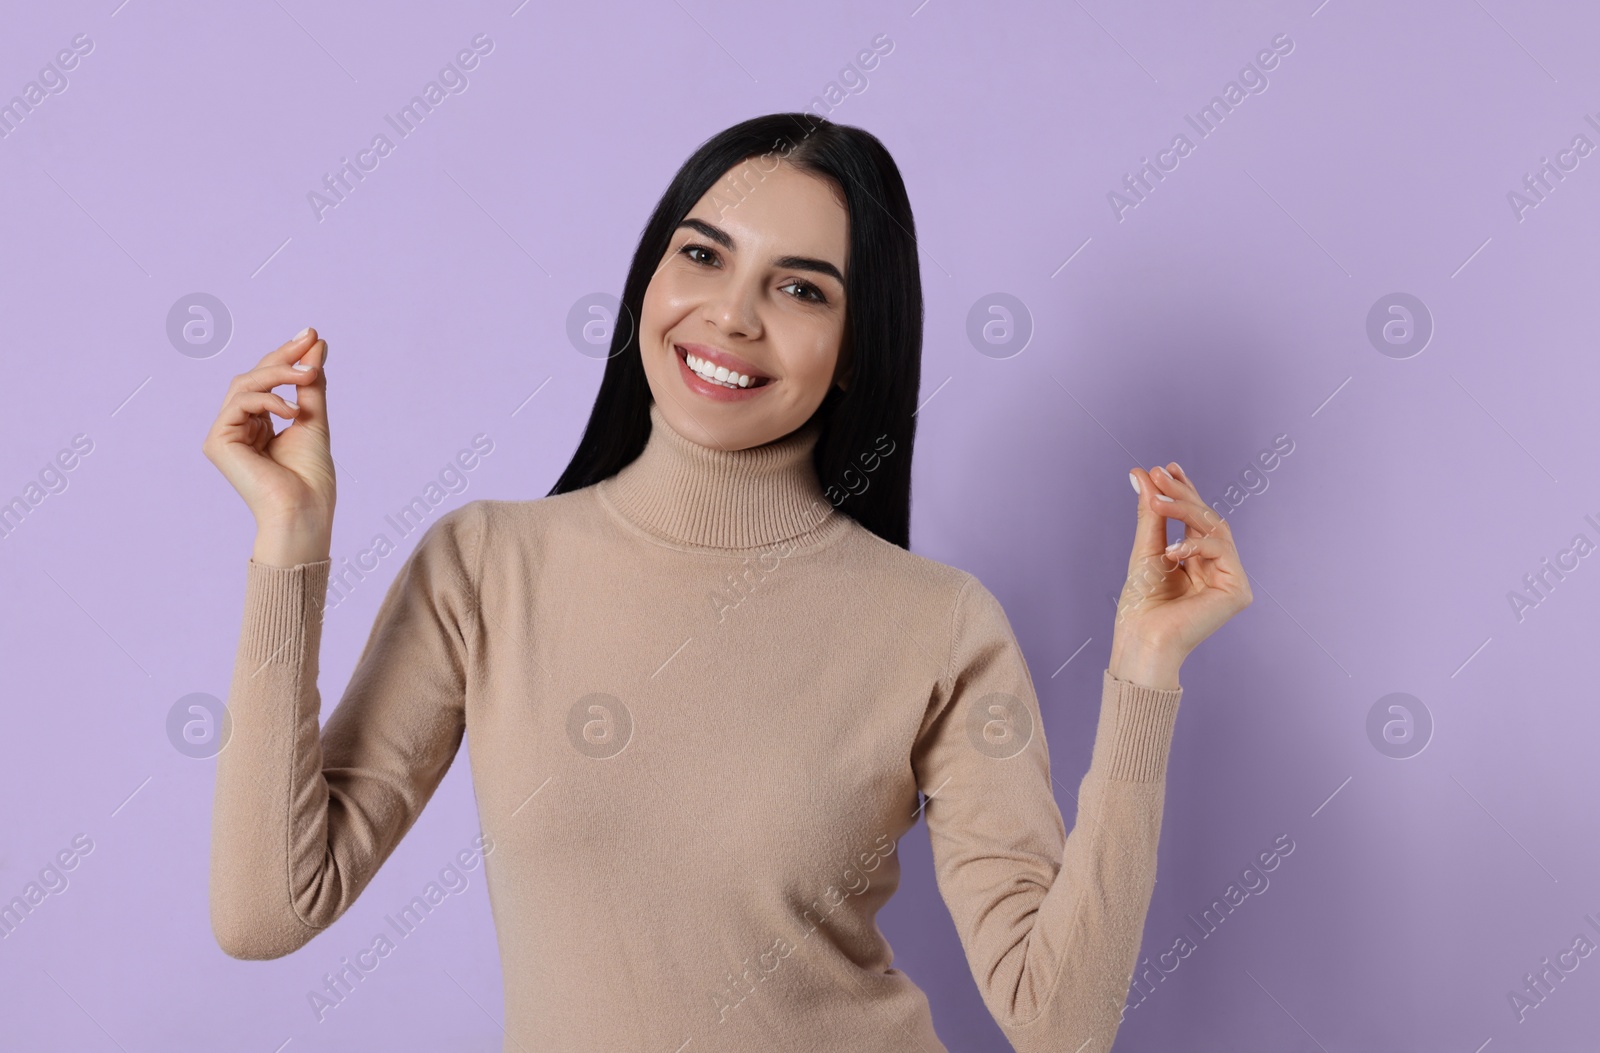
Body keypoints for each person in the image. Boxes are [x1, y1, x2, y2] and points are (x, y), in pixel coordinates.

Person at [201, 111, 1252, 1052]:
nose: (732, 315)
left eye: (799, 287)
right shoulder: (483, 566)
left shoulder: (939, 624)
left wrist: (1144, 671)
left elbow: (1057, 1023)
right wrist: (290, 546)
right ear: (651, 278)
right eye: (702, 254)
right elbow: (267, 911)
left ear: (853, 348)